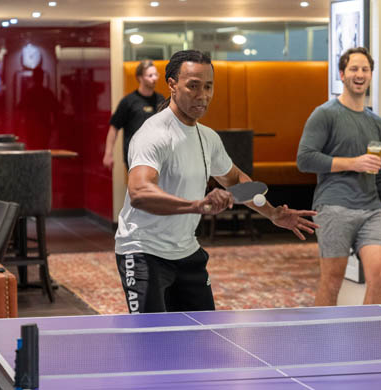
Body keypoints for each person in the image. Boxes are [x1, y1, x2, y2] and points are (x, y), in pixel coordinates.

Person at [114, 50, 318, 314]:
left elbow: (235, 179)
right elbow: (140, 193)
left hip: (186, 251)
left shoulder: (207, 137)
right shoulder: (153, 134)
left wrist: (272, 214)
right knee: (150, 342)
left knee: (205, 335)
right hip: (143, 252)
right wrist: (197, 205)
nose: (203, 95)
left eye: (208, 86)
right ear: (172, 84)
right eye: (193, 86)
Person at [297, 47, 381, 307]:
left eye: (365, 69)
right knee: (332, 280)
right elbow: (305, 159)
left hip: (372, 210)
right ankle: (321, 341)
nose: (360, 74)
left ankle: (371, 342)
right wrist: (352, 163)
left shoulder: (377, 123)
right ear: (342, 74)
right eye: (354, 69)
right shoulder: (325, 114)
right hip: (333, 207)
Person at [102, 60, 165, 170]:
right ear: (140, 78)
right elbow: (114, 128)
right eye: (150, 75)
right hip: (135, 157)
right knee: (141, 187)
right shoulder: (128, 101)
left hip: (157, 156)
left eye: (156, 74)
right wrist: (108, 153)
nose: (154, 78)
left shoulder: (161, 100)